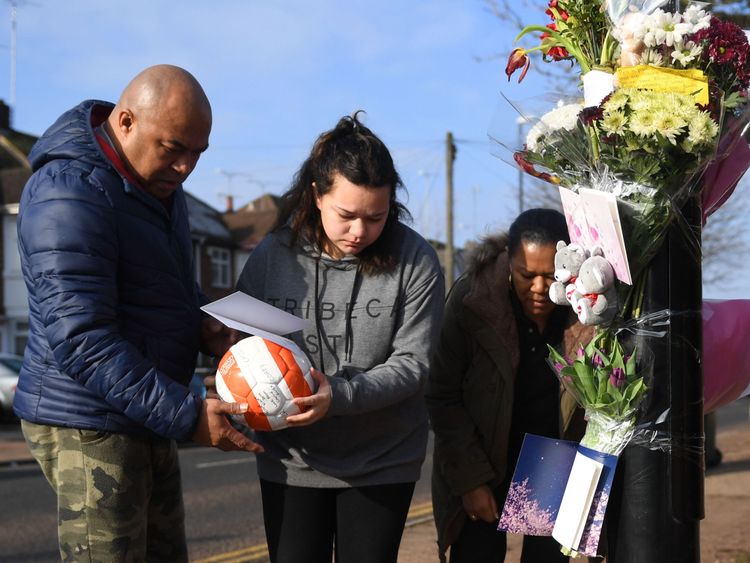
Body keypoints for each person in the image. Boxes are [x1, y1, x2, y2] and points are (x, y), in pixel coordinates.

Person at [13, 64, 261, 562]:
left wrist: (204, 326)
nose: (187, 167)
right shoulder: (69, 191)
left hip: (145, 408)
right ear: (125, 122)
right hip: (90, 418)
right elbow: (81, 338)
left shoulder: (159, 187)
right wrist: (188, 414)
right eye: (173, 148)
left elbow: (166, 289)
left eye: (198, 153)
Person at [236, 112, 445, 563]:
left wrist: (342, 395)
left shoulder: (416, 260)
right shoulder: (274, 256)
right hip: (292, 460)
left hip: (383, 460)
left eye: (377, 217)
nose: (360, 231)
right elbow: (244, 342)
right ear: (316, 195)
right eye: (346, 215)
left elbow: (416, 363)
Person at [426, 208, 593, 563]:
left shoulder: (590, 308)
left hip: (553, 462)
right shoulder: (472, 300)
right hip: (483, 460)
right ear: (508, 260)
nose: (537, 287)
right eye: (525, 274)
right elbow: (442, 395)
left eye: (550, 277)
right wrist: (471, 481)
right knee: (477, 553)